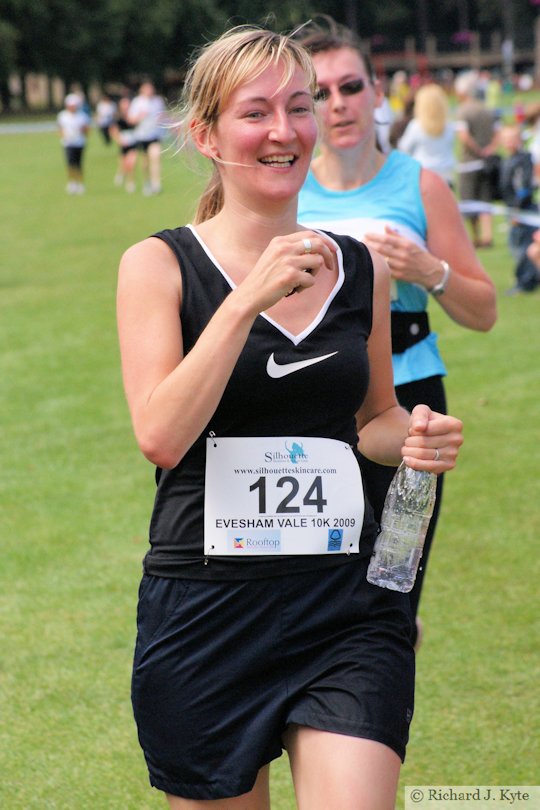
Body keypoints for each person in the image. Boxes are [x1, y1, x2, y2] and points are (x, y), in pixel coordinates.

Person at [117, 25, 464, 809]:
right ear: (205, 134)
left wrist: (410, 433)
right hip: (206, 611)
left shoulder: (361, 266)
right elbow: (162, 436)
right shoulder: (158, 265)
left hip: (344, 605)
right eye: (256, 112)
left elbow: (371, 418)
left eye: (299, 107)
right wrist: (245, 300)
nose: (285, 131)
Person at [295, 16, 496, 649]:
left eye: (351, 86)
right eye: (319, 93)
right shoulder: (286, 189)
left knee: (393, 586)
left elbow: (484, 310)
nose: (339, 104)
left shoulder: (421, 184)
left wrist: (427, 270)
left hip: (410, 401)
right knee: (309, 594)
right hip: (313, 400)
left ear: (378, 92)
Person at [454, 70, 501, 248]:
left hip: (469, 164)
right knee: (485, 201)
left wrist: (478, 150)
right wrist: (490, 149)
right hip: (487, 163)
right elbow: (498, 132)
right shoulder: (487, 110)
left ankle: (476, 237)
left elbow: (464, 137)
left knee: (470, 202)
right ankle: (488, 236)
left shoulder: (463, 111)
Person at [498, 125, 540, 295]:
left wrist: (517, 210)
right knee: (516, 246)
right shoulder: (509, 159)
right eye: (505, 140)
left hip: (523, 211)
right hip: (513, 210)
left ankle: (526, 282)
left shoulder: (523, 160)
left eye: (512, 139)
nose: (508, 143)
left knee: (523, 247)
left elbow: (524, 187)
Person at [398, 82, 456, 186]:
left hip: (423, 174)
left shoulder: (416, 126)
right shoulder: (449, 126)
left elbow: (403, 148)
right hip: (446, 174)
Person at [128, 81, 166, 195]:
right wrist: (140, 116)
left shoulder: (157, 101)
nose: (150, 91)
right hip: (142, 135)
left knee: (156, 157)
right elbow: (131, 120)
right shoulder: (137, 102)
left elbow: (163, 116)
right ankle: (147, 182)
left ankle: (156, 184)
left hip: (155, 135)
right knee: (145, 162)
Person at [57, 92, 91, 194]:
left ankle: (80, 183)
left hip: (79, 142)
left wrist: (80, 132)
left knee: (79, 163)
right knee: (70, 163)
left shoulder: (82, 116)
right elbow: (60, 129)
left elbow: (87, 130)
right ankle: (72, 182)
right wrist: (66, 136)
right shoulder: (63, 116)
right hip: (68, 143)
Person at [110, 95, 138, 192]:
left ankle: (130, 183)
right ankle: (121, 173)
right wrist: (119, 140)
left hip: (133, 142)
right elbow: (113, 130)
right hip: (123, 143)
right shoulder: (117, 117)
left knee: (131, 163)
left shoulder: (133, 116)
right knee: (124, 164)